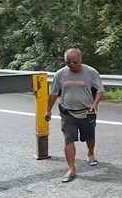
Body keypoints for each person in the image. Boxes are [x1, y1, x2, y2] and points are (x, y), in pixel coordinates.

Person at [45, 48, 105, 183]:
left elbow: (100, 90)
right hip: (67, 113)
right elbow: (53, 93)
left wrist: (95, 103)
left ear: (81, 60)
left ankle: (90, 153)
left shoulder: (91, 72)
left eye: (75, 62)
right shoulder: (60, 74)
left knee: (89, 137)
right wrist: (48, 110)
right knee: (68, 140)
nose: (71, 64)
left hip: (87, 112)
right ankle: (71, 168)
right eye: (68, 62)